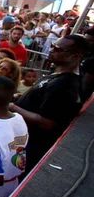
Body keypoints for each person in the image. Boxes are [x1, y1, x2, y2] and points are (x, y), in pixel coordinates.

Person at [11, 35, 87, 173]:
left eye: (57, 49)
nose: (51, 50)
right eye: (52, 45)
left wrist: (12, 107)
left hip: (29, 145)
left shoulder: (65, 84)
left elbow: (47, 122)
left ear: (75, 57)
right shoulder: (56, 74)